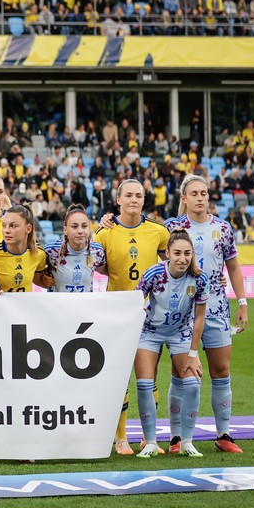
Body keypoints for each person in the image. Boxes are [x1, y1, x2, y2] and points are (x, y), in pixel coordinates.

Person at [164, 174, 249, 453]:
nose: (201, 198)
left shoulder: (222, 228)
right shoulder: (172, 227)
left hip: (217, 310)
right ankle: (176, 438)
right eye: (195, 193)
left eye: (205, 193)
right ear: (184, 198)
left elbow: (233, 268)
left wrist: (243, 302)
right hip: (183, 315)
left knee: (221, 371)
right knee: (184, 374)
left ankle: (224, 434)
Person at [96, 178, 170, 455]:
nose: (134, 200)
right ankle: (121, 438)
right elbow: (99, 267)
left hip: (150, 313)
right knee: (120, 378)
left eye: (139, 195)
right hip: (117, 314)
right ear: (118, 200)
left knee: (147, 377)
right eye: (128, 195)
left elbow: (171, 261)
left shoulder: (158, 231)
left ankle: (148, 438)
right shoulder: (104, 233)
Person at [134, 230, 208, 458]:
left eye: (187, 253)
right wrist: (140, 308)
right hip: (150, 332)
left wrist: (193, 353)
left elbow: (199, 318)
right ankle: (150, 443)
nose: (182, 258)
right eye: (177, 253)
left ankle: (186, 442)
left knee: (193, 384)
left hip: (180, 333)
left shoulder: (199, 278)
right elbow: (135, 301)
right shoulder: (154, 273)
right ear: (167, 253)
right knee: (145, 384)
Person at [0, 205, 52, 292]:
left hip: (25, 305)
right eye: (4, 225)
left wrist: (48, 281)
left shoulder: (39, 253)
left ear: (28, 229)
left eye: (13, 226)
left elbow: (37, 280)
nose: (6, 230)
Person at [43, 205, 107, 292]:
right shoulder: (50, 251)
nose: (80, 231)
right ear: (65, 230)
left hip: (85, 304)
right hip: (57, 305)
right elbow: (33, 271)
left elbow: (107, 270)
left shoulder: (97, 251)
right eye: (74, 226)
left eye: (84, 226)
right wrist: (41, 278)